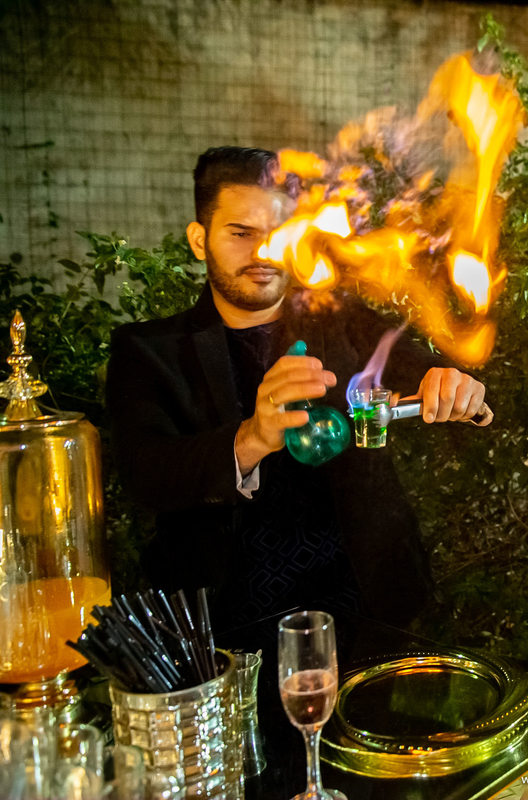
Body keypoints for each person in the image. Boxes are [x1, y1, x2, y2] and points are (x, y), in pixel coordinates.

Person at [107, 146, 490, 629]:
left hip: (364, 606)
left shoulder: (342, 321)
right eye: (241, 233)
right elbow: (146, 476)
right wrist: (250, 439)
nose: (262, 253)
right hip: (227, 625)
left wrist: (452, 385)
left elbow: (422, 372)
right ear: (200, 240)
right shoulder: (149, 351)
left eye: (276, 235)